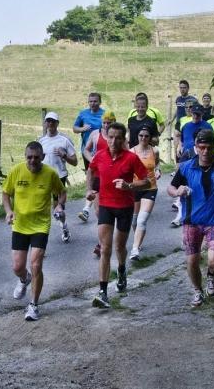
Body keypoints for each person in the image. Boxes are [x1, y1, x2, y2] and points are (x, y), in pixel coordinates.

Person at [167, 129, 214, 307]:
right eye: (201, 147)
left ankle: (211, 275)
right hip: (191, 222)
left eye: (209, 147)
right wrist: (177, 192)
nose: (205, 151)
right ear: (196, 147)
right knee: (192, 260)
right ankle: (197, 291)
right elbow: (171, 188)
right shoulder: (185, 167)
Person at [86, 122, 150, 308]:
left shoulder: (131, 158)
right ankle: (103, 292)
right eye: (111, 137)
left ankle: (121, 270)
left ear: (124, 139)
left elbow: (146, 181)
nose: (113, 141)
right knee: (105, 248)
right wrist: (89, 190)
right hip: (105, 205)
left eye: (118, 138)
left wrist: (129, 186)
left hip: (124, 207)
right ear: (107, 136)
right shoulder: (100, 156)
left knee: (119, 246)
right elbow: (91, 170)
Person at [2, 141, 67, 321]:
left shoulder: (50, 174)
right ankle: (24, 279)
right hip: (20, 225)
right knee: (17, 267)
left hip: (40, 225)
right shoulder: (16, 171)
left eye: (36, 157)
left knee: (36, 264)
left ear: (43, 157)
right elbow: (6, 193)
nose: (32, 161)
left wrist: (59, 206)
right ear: (25, 157)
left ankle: (33, 305)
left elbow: (62, 192)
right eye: (29, 157)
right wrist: (9, 212)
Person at [171, 103, 213, 227]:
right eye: (194, 113)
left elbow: (211, 142)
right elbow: (182, 140)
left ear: (202, 114)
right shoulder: (186, 126)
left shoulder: (207, 126)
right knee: (183, 182)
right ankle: (180, 214)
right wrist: (180, 147)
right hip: (187, 155)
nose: (195, 116)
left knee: (198, 184)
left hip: (202, 157)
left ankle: (201, 213)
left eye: (198, 114)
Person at [39, 111, 78, 243]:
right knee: (40, 208)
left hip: (58, 177)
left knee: (58, 210)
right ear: (45, 123)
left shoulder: (64, 140)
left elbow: (75, 161)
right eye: (48, 121)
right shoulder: (40, 141)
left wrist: (64, 155)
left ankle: (64, 227)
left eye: (53, 121)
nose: (50, 124)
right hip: (42, 178)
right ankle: (40, 235)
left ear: (57, 123)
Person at [83, 111, 117, 258]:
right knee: (98, 212)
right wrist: (92, 160)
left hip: (112, 177)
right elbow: (86, 149)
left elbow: (127, 152)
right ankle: (102, 241)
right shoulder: (95, 135)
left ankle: (102, 242)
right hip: (97, 176)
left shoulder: (118, 137)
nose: (106, 125)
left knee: (109, 211)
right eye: (104, 122)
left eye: (109, 123)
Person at [129, 126, 161, 260]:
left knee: (142, 220)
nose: (143, 138)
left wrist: (158, 170)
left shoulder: (155, 150)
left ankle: (134, 250)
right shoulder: (131, 152)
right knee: (135, 221)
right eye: (141, 135)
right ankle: (138, 241)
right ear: (137, 136)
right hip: (135, 188)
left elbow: (157, 163)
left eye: (146, 136)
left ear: (150, 138)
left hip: (150, 188)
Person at [73, 93, 104, 223]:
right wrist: (82, 129)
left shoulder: (104, 115)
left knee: (100, 178)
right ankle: (88, 207)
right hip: (87, 152)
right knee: (91, 177)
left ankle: (91, 207)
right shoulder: (83, 114)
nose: (93, 103)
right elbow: (75, 128)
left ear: (100, 102)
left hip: (102, 153)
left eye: (95, 101)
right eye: (90, 101)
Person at [171, 80, 198, 162]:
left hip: (189, 122)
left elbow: (197, 110)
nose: (182, 89)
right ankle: (177, 165)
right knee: (176, 145)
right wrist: (172, 119)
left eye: (184, 88)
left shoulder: (192, 99)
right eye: (181, 88)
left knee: (186, 143)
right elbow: (177, 109)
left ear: (188, 88)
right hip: (179, 123)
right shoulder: (178, 99)